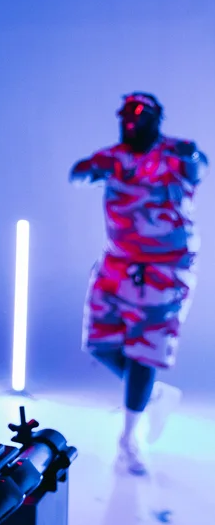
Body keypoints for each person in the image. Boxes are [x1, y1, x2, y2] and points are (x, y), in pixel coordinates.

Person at [70, 92, 205, 475]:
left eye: (139, 117)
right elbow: (79, 173)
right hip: (117, 263)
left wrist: (192, 159)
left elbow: (198, 168)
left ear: (155, 119)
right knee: (99, 343)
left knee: (144, 352)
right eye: (126, 117)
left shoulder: (176, 152)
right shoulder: (114, 157)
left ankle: (130, 439)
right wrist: (89, 172)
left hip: (164, 270)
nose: (130, 123)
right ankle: (153, 394)